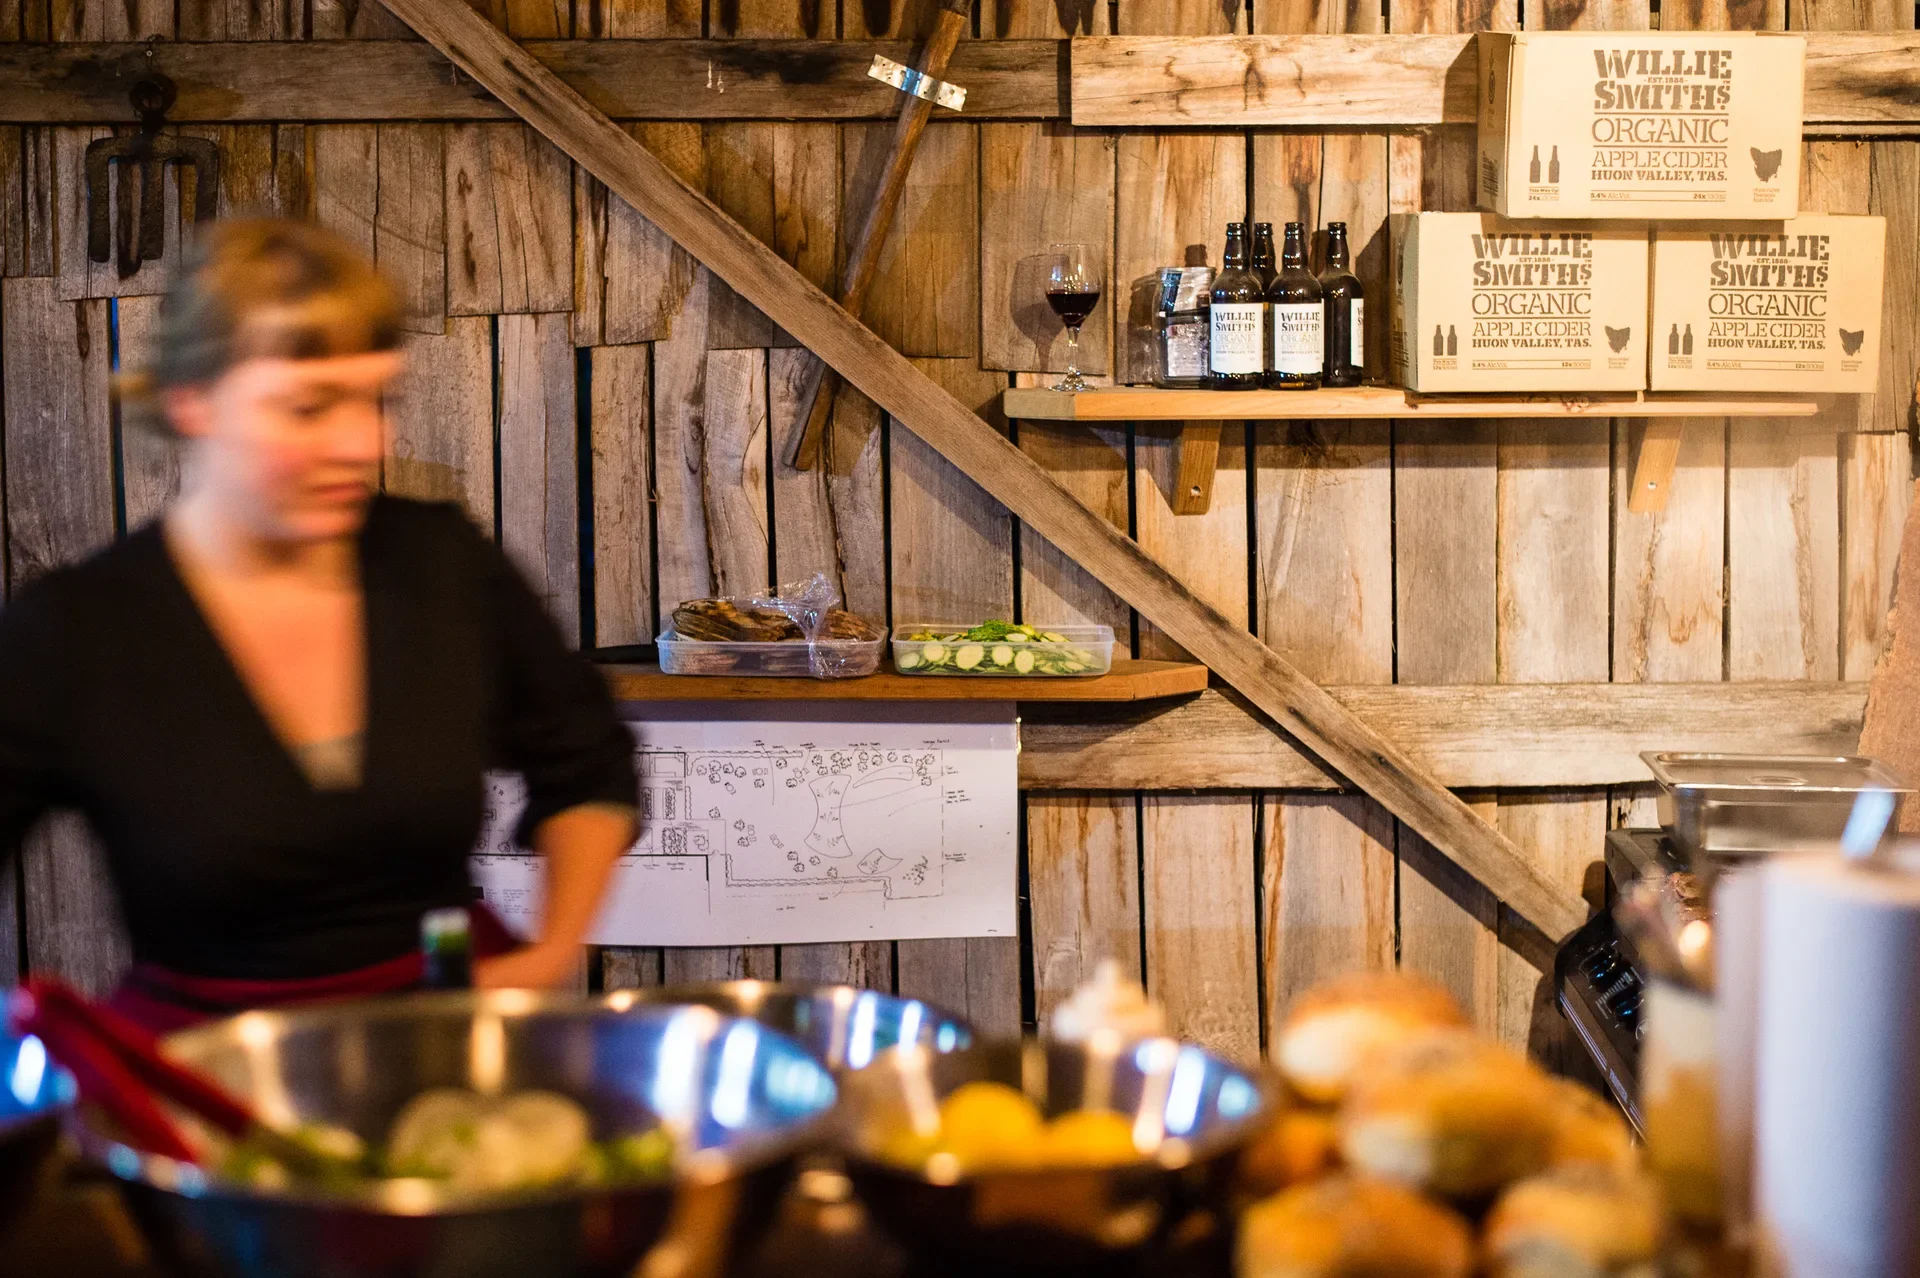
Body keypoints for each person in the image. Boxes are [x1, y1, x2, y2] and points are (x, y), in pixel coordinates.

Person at [0, 218, 638, 1030]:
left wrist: (552, 952)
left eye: (377, 399)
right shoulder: (76, 634)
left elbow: (589, 764)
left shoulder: (444, 565)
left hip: (446, 1043)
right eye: (309, 408)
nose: (362, 443)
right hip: (220, 1072)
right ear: (191, 402)